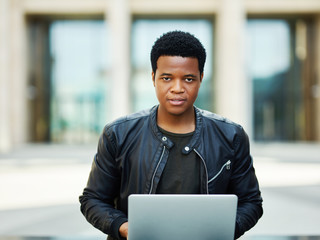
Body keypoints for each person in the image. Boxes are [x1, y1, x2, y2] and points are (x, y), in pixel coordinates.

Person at [79, 30, 263, 240]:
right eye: (167, 78)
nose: (177, 88)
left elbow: (251, 202)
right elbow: (93, 199)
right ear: (153, 78)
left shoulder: (232, 136)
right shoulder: (117, 134)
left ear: (201, 79)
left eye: (188, 79)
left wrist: (223, 229)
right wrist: (125, 227)